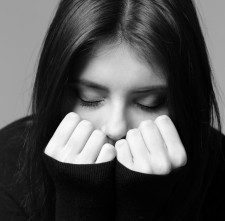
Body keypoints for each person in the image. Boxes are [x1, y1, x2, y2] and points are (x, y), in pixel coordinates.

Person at [0, 0, 224, 220]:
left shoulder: (219, 173)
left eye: (150, 102)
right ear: (57, 92)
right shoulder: (8, 169)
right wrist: (78, 203)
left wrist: (142, 205)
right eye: (90, 98)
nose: (116, 128)